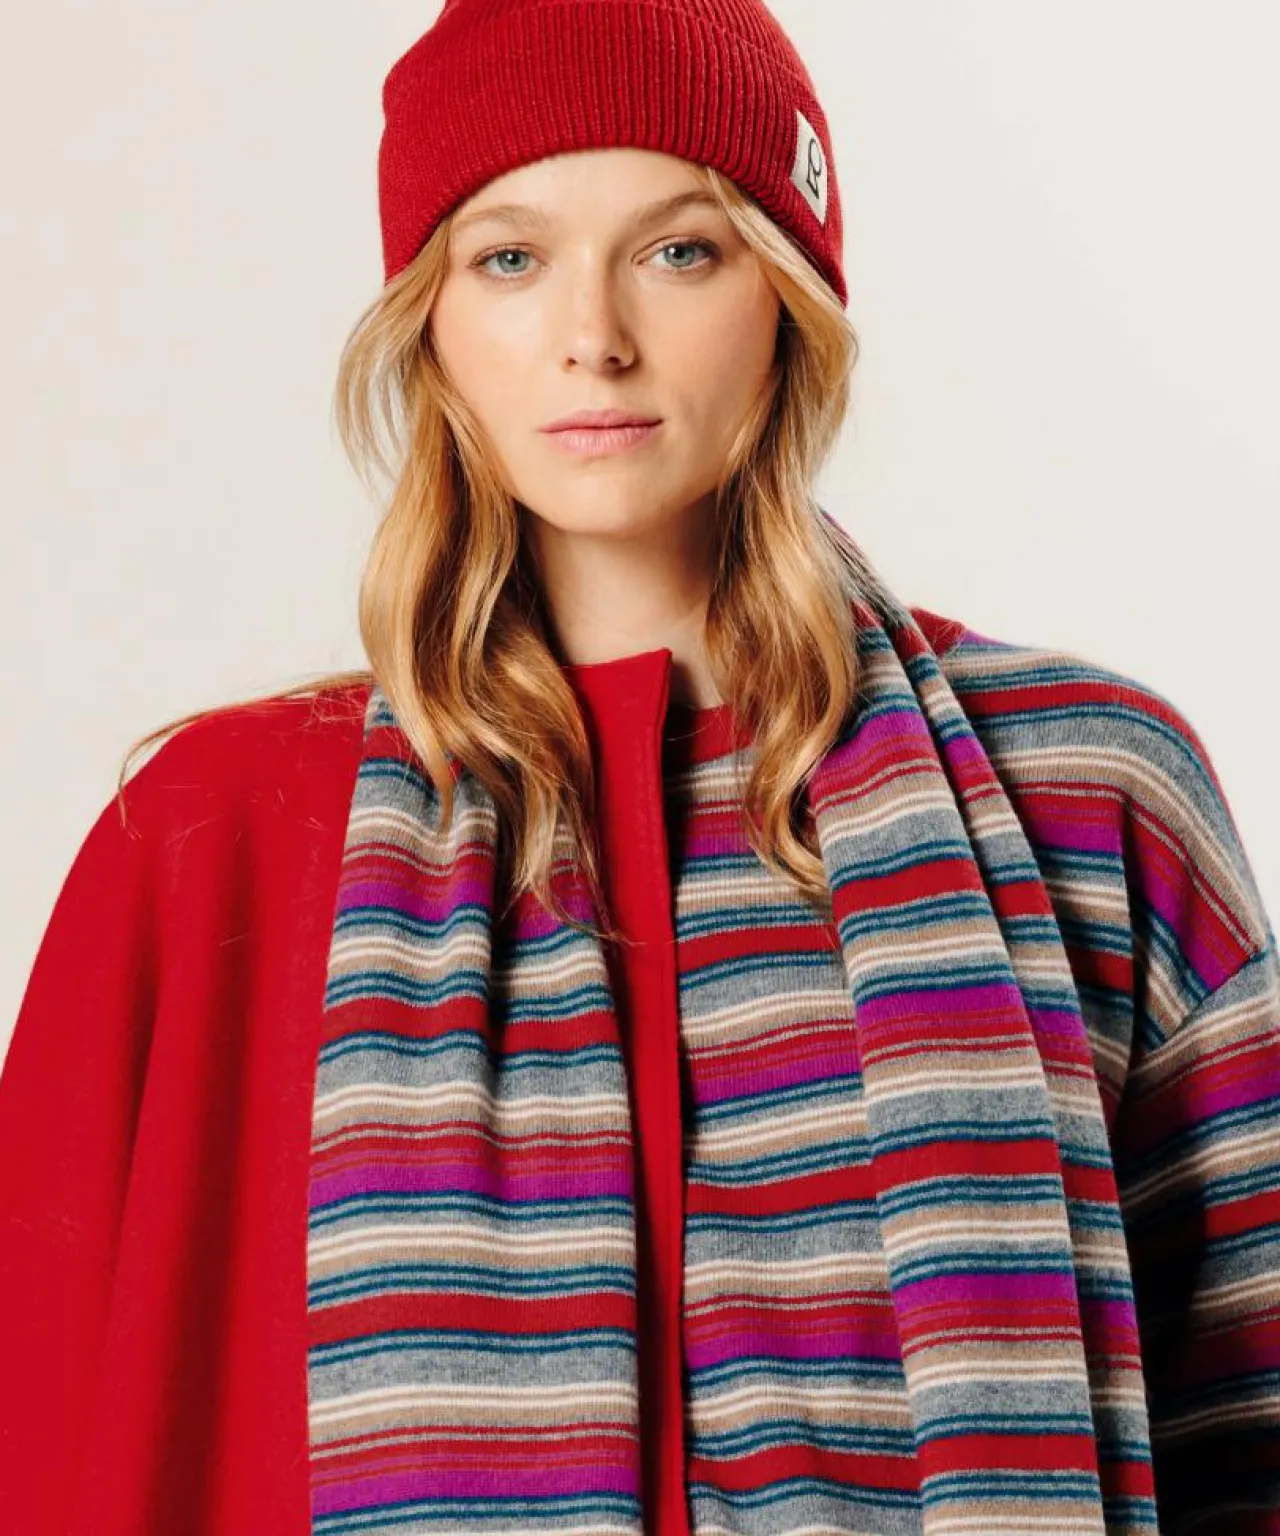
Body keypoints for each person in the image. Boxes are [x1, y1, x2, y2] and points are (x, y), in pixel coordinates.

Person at [2, 1, 1278, 1532]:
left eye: (680, 250)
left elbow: (1251, 1435)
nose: (592, 335)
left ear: (789, 295)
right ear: (429, 320)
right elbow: (52, 1446)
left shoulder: (1090, 792)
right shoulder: (216, 843)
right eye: (510, 258)